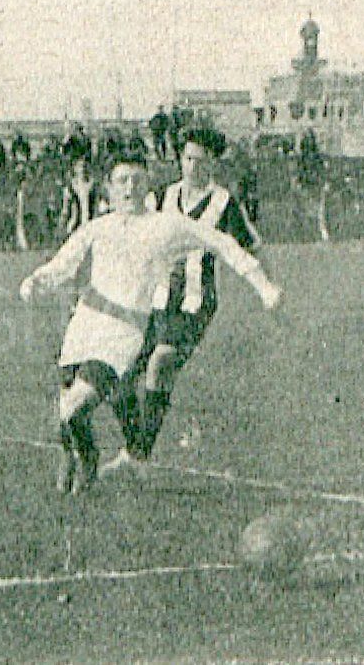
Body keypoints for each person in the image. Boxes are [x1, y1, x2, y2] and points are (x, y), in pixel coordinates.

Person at [19, 151, 280, 494]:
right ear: (109, 189)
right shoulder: (97, 228)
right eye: (122, 181)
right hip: (82, 329)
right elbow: (62, 264)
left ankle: (89, 458)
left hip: (122, 336)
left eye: (137, 180)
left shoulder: (165, 226)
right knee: (63, 417)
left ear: (148, 187)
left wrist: (264, 286)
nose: (130, 187)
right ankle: (78, 457)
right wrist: (36, 281)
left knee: (73, 406)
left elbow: (223, 243)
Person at [104, 129, 258, 474]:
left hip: (195, 302)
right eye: (188, 158)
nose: (192, 166)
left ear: (212, 163)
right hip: (155, 300)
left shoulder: (223, 203)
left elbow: (250, 246)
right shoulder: (163, 196)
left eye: (200, 160)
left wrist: (269, 289)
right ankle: (134, 450)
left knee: (160, 363)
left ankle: (139, 455)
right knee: (123, 372)